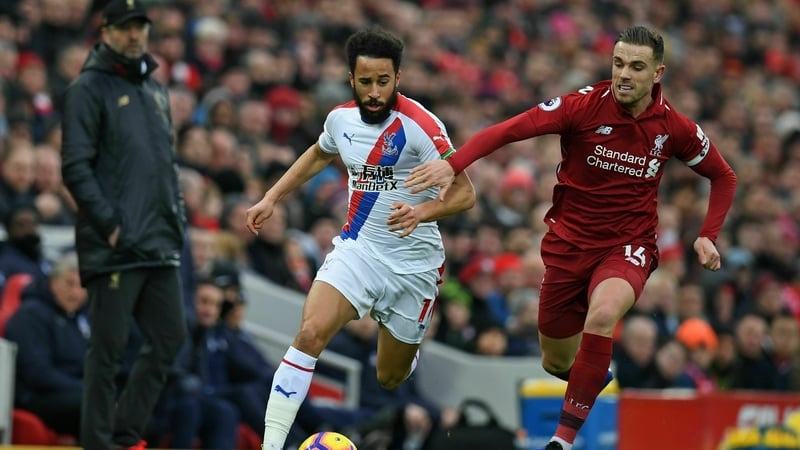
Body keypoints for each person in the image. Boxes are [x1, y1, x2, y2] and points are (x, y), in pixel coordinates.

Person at [406, 25, 737, 450]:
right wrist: (453, 165)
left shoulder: (673, 127)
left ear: (658, 73)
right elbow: (507, 130)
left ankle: (561, 440)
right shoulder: (581, 107)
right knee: (555, 360)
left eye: (637, 67)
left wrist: (708, 235)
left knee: (602, 318)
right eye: (618, 64)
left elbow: (723, 176)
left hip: (629, 245)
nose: (624, 74)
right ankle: (590, 377)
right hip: (567, 246)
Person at [245, 26, 476, 450]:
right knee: (310, 334)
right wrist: (271, 197)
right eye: (365, 81)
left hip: (414, 266)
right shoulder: (340, 119)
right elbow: (319, 152)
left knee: (389, 377)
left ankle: (405, 343)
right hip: (358, 251)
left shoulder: (422, 127)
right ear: (351, 78)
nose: (374, 92)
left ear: (397, 78)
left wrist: (422, 210)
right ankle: (272, 445)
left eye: (383, 82)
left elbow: (465, 193)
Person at [59, 1, 188, 448]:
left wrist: (178, 215)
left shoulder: (155, 88)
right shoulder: (87, 88)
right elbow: (75, 167)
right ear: (106, 31)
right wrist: (111, 227)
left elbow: (165, 164)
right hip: (115, 244)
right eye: (125, 28)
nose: (135, 36)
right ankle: (97, 441)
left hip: (158, 239)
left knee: (171, 337)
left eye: (141, 27)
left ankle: (124, 432)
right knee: (108, 352)